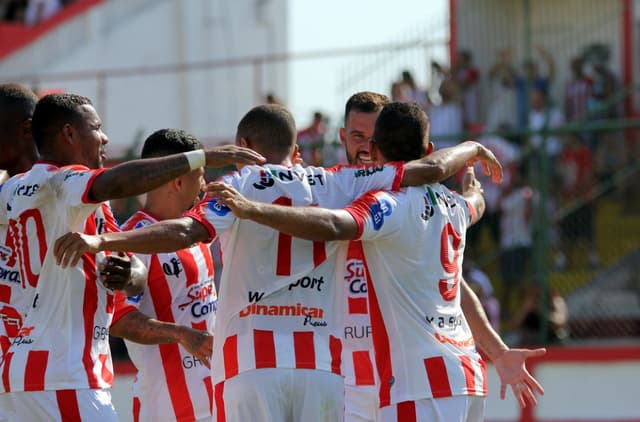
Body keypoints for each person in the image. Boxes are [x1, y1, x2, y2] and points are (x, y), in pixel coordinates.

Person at [53, 103, 502, 421]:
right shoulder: (337, 181)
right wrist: (472, 150)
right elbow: (428, 171)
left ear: (245, 144)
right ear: (295, 147)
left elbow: (184, 232)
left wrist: (106, 238)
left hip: (250, 367)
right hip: (324, 368)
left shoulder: (239, 184)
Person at [205, 102, 546, 421]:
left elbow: (335, 226)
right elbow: (472, 206)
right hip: (360, 380)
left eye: (371, 139)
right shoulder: (333, 190)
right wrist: (473, 189)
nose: (364, 148)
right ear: (344, 139)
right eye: (357, 136)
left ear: (378, 149)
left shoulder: (377, 207)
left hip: (405, 382)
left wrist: (251, 209)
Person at [0, 93, 264, 421]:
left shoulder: (13, 190)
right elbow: (118, 181)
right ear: (69, 134)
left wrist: (126, 273)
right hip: (65, 374)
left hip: (21, 372)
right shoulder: (65, 181)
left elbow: (129, 272)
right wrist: (202, 156)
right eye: (96, 128)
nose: (105, 137)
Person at [109, 129, 217, 422]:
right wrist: (181, 334)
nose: (204, 186)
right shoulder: (132, 240)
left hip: (217, 400)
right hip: (167, 408)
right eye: (201, 176)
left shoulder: (196, 228)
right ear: (179, 180)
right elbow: (117, 320)